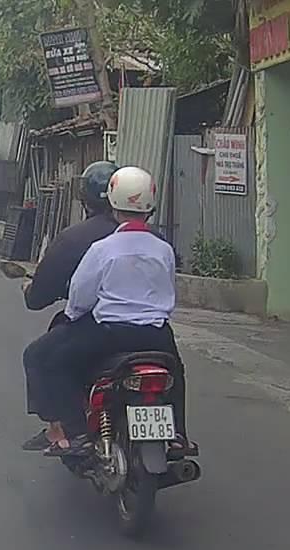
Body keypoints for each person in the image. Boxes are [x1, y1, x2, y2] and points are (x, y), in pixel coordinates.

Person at [36, 166, 190, 457]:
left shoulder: (102, 249)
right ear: (151, 206)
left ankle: (76, 433)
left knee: (55, 362)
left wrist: (72, 315)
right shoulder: (163, 249)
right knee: (175, 373)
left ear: (112, 203)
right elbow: (168, 289)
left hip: (110, 334)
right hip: (157, 334)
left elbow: (80, 296)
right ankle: (179, 434)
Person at [21, 161, 120, 451]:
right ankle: (177, 433)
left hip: (97, 327)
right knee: (173, 368)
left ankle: (65, 430)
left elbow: (46, 296)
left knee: (38, 356)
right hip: (152, 330)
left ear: (84, 199)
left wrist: (34, 292)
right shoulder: (152, 238)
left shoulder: (76, 239)